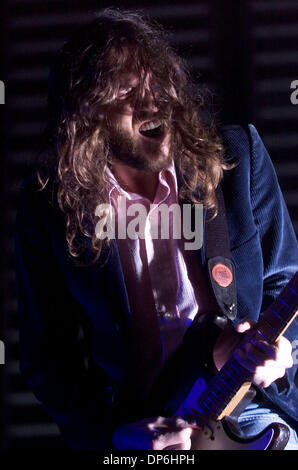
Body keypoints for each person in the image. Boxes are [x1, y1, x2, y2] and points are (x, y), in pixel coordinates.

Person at [14, 8, 298, 450]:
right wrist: (110, 438)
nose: (153, 101)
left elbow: (285, 285)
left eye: (158, 84)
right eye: (127, 89)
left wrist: (280, 358)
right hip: (139, 429)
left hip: (247, 411)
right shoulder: (48, 207)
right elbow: (46, 359)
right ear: (85, 113)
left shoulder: (237, 160)